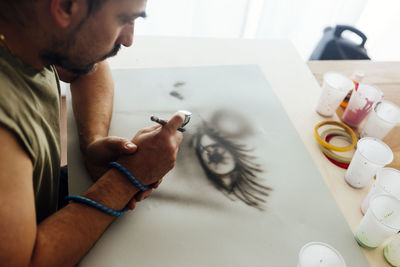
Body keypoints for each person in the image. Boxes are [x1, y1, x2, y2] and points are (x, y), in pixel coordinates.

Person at [0, 0, 185, 266]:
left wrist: (92, 142)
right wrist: (125, 180)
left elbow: (88, 63)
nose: (128, 38)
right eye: (123, 19)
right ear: (64, 8)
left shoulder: (27, 27)